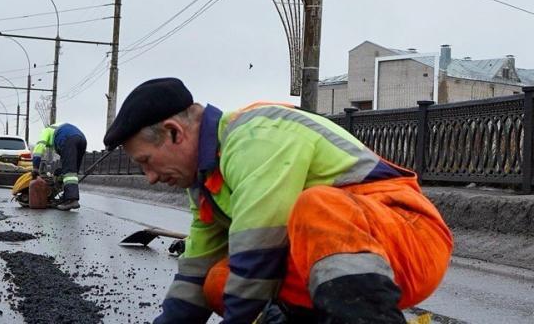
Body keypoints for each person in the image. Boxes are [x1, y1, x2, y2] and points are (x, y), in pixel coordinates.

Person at [103, 78, 453, 323]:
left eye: (146, 162)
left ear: (174, 132)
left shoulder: (254, 137)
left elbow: (257, 251)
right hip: (339, 250)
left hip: (408, 236)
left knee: (315, 209)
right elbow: (194, 272)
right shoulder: (206, 182)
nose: (149, 177)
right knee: (217, 279)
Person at [32, 123, 87, 211]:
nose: (49, 147)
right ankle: (66, 197)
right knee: (72, 170)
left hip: (68, 139)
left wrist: (35, 166)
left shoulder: (46, 131)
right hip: (82, 139)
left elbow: (39, 147)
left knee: (69, 173)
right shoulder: (59, 128)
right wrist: (60, 176)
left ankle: (71, 200)